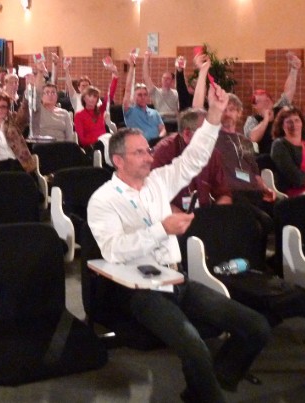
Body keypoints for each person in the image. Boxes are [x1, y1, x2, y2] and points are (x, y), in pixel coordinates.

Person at [87, 83, 271, 403]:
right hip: (139, 290)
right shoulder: (103, 200)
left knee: (256, 327)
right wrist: (162, 229)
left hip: (176, 279)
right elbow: (114, 250)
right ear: (117, 160)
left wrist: (214, 114)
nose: (149, 156)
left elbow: (194, 158)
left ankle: (210, 383)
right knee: (195, 347)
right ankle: (209, 393)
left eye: (148, 150)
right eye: (140, 152)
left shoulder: (158, 181)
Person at [151, 107, 232, 211]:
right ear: (187, 134)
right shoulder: (164, 151)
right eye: (206, 134)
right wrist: (178, 216)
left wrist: (216, 215)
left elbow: (224, 194)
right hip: (173, 215)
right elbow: (153, 197)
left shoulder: (213, 153)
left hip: (204, 215)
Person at [243, 52, 301, 154]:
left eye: (267, 99)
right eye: (260, 101)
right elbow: (253, 138)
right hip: (267, 157)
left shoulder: (280, 109)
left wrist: (294, 69)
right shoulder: (253, 120)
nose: (266, 103)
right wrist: (265, 120)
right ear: (255, 106)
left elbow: (288, 92)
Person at [122, 52, 164, 142]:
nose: (143, 97)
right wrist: (132, 67)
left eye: (145, 94)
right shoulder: (129, 111)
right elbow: (128, 89)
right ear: (133, 97)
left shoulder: (154, 113)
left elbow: (163, 130)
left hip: (156, 143)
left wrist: (158, 139)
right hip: (138, 144)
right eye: (139, 95)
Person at [142, 51, 179, 131]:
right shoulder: (155, 91)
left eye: (168, 78)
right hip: (160, 119)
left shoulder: (176, 93)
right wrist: (146, 59)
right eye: (163, 78)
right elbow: (146, 77)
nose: (165, 80)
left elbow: (179, 110)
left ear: (172, 81)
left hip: (173, 120)